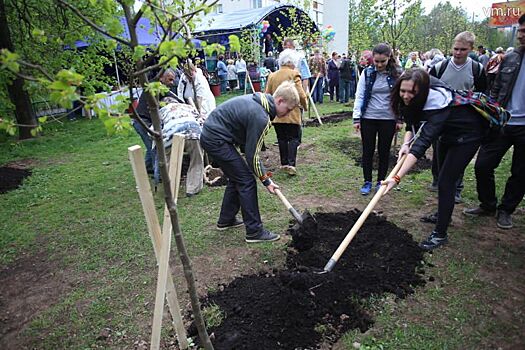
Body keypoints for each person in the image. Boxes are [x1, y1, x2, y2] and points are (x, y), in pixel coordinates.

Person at [383, 68, 490, 250]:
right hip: (446, 134)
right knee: (440, 174)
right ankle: (442, 214)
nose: (406, 96)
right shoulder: (419, 84)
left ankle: (440, 234)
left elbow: (422, 144)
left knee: (446, 182)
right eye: (403, 91)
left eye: (411, 92)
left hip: (467, 135)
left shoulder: (438, 104)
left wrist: (396, 177)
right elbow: (411, 120)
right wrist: (405, 143)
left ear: (422, 91)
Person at [199, 81, 300, 243]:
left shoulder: (260, 101)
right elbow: (252, 156)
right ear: (279, 101)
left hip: (213, 136)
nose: (287, 114)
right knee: (246, 180)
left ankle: (226, 219)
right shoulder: (260, 116)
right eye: (287, 109)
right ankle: (254, 231)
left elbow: (248, 148)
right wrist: (266, 181)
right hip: (216, 140)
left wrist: (265, 177)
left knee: (238, 176)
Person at [463, 14, 525, 230]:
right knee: (482, 166)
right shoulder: (510, 58)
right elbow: (496, 87)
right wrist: (493, 111)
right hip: (503, 122)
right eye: (520, 31)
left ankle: (506, 209)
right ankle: (488, 204)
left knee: (520, 172)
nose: (521, 36)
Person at [428, 31, 487, 205]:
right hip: (441, 117)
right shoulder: (441, 67)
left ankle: (456, 188)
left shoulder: (477, 69)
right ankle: (438, 180)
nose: (458, 53)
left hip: (464, 121)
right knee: (438, 152)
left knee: (457, 156)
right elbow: (430, 86)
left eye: (462, 49)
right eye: (455, 49)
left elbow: (482, 93)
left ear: (471, 49)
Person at [353, 43, 402, 195]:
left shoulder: (397, 74)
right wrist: (356, 118)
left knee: (384, 151)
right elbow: (360, 95)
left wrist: (399, 119)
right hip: (368, 117)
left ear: (389, 58)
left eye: (383, 61)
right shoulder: (367, 73)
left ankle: (381, 181)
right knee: (367, 151)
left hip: (388, 119)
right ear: (372, 59)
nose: (379, 64)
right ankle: (367, 181)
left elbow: (401, 97)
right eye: (376, 61)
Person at [265, 49, 308, 176]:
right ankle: (291, 164)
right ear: (292, 62)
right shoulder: (294, 74)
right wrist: (305, 106)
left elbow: (267, 94)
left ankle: (283, 163)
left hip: (276, 115)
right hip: (292, 113)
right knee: (294, 138)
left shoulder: (272, 76)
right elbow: (301, 94)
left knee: (281, 138)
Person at [154, 99, 206, 197]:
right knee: (196, 160)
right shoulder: (188, 107)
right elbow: (202, 121)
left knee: (169, 162)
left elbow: (153, 130)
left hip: (171, 135)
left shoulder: (161, 111)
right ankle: (192, 189)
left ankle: (170, 189)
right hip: (193, 131)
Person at [133, 69, 176, 174]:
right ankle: (159, 175)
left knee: (150, 145)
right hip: (142, 122)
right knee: (154, 148)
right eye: (170, 80)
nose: (172, 83)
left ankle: (148, 168)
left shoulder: (157, 86)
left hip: (143, 121)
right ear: (161, 77)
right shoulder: (155, 87)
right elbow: (171, 97)